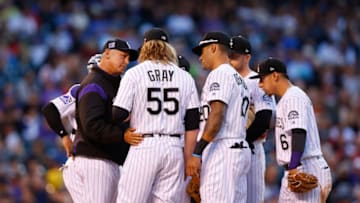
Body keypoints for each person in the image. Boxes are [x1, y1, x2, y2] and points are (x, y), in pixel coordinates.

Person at [112, 28, 200, 203]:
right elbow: (192, 123)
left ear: (145, 46)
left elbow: (118, 114)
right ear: (168, 48)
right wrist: (189, 157)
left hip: (144, 144)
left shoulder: (134, 73)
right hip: (174, 148)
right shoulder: (185, 76)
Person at [65, 39, 141, 203]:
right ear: (106, 54)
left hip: (107, 160)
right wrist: (122, 135)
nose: (126, 62)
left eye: (129, 58)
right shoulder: (95, 84)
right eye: (123, 56)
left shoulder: (114, 84)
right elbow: (92, 126)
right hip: (95, 160)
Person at [250, 57, 332, 203]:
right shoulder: (284, 100)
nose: (260, 85)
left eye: (262, 79)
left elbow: (299, 132)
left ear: (275, 76)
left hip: (305, 165)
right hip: (293, 168)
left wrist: (294, 167)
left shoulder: (294, 96)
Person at [187, 31, 251, 202]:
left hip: (223, 149)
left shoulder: (220, 74)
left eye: (202, 51)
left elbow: (216, 115)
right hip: (238, 149)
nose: (200, 58)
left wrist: (197, 153)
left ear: (213, 47)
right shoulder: (239, 78)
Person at [229, 35, 275, 203]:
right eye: (228, 54)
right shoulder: (226, 79)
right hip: (228, 148)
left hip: (251, 146)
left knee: (252, 199)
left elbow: (266, 117)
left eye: (234, 55)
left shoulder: (257, 81)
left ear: (247, 57)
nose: (230, 58)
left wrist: (246, 139)